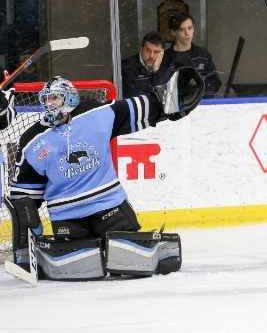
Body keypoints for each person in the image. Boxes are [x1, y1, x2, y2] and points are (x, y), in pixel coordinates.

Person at [3, 69, 203, 281]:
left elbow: (137, 109)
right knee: (82, 270)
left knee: (127, 264)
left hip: (110, 205)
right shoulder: (32, 140)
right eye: (47, 99)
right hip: (67, 216)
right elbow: (24, 198)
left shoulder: (95, 113)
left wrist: (170, 102)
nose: (50, 104)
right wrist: (26, 247)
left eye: (55, 98)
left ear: (69, 98)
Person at [162, 12, 222, 98]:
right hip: (175, 107)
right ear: (173, 32)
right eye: (182, 29)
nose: (187, 33)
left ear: (194, 29)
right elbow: (160, 86)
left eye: (189, 28)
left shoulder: (203, 55)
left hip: (201, 106)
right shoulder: (165, 58)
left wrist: (200, 84)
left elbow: (215, 84)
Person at [121, 31, 171, 99]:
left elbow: (165, 96)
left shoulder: (166, 66)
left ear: (162, 53)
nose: (151, 56)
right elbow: (135, 97)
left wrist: (156, 71)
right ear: (141, 49)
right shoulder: (127, 66)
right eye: (148, 50)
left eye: (156, 52)